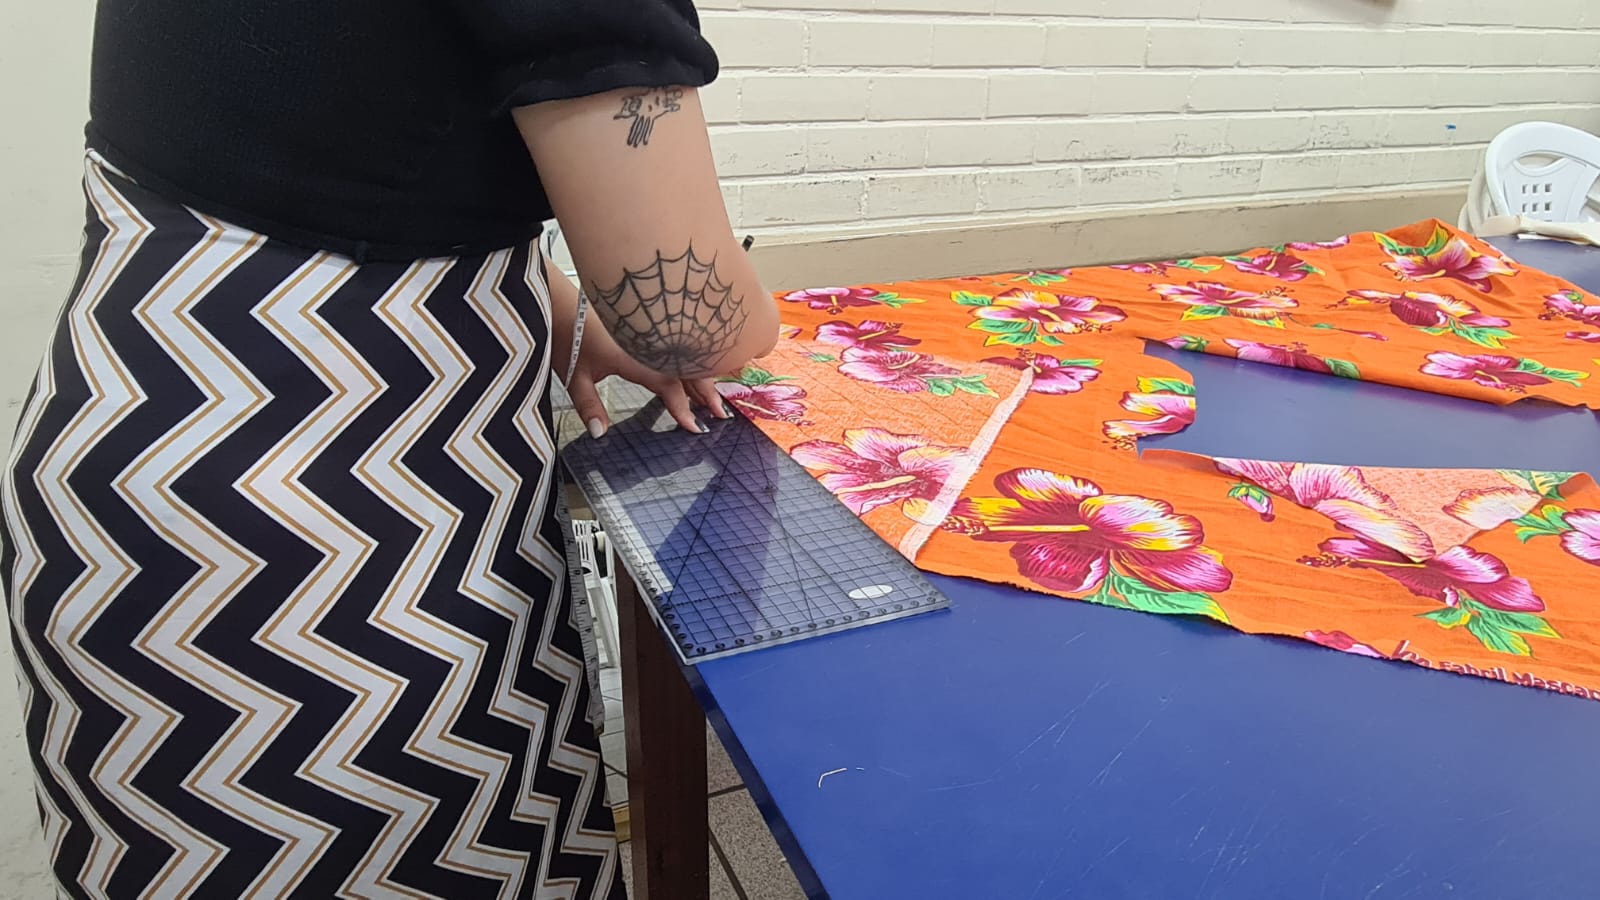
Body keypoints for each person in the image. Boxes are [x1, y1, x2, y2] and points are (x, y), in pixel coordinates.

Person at [0, 0, 777, 896]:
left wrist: (569, 320)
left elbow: (330, 152)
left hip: (128, 474)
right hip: (324, 545)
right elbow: (691, 322)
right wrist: (769, 325)